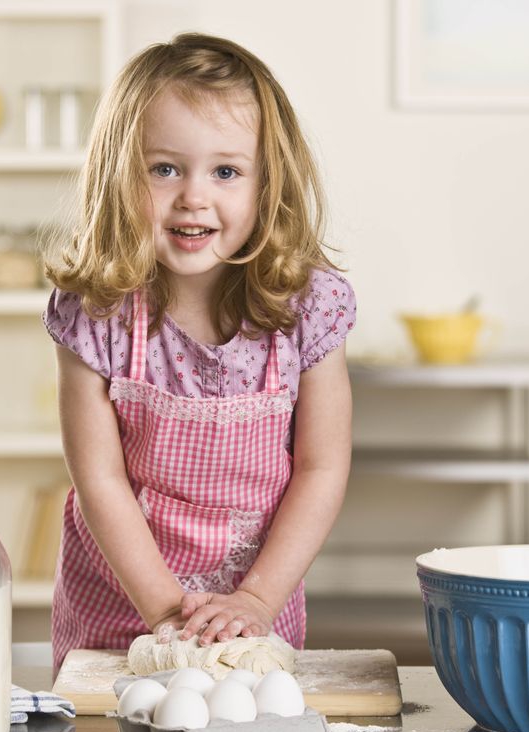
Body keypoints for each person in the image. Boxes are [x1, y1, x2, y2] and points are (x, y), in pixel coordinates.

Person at [43, 32, 355, 671]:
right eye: (163, 168)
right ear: (118, 174)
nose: (193, 195)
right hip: (120, 612)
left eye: (226, 171)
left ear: (267, 184)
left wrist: (258, 600)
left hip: (253, 610)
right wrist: (163, 614)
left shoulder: (309, 307)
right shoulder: (96, 311)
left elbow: (322, 467)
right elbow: (98, 478)